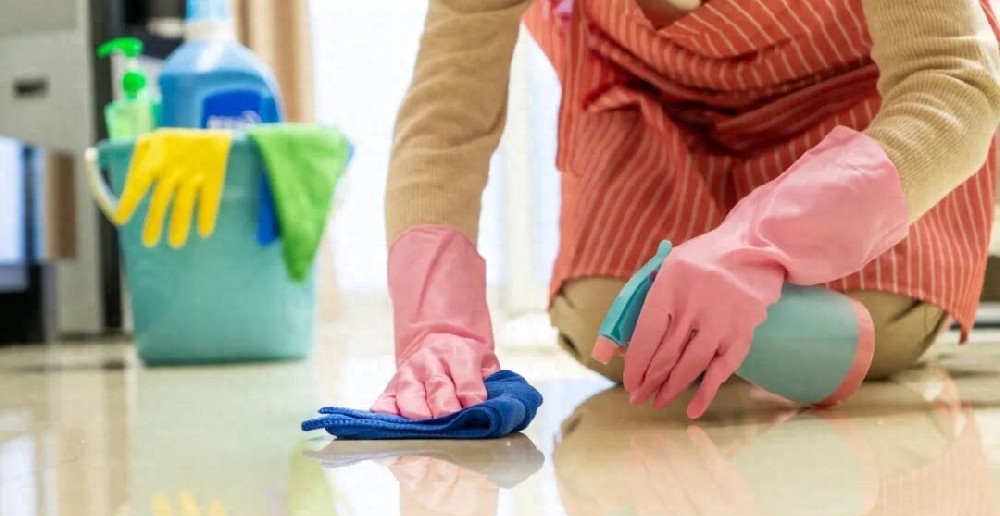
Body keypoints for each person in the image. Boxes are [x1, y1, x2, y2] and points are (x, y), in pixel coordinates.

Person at [371, 0, 1000, 421]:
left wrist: (771, 237)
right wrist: (438, 324)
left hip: (850, 106)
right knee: (611, 324)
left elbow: (950, 78)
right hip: (650, 103)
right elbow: (445, 121)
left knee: (875, 330)